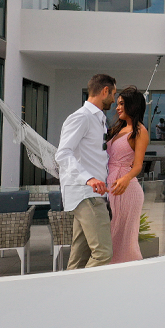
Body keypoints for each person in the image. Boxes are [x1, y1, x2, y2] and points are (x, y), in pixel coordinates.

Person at [56, 74, 116, 269]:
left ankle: (71, 296)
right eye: (113, 94)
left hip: (90, 194)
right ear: (104, 91)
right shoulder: (82, 117)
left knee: (79, 258)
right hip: (87, 194)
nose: (114, 100)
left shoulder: (98, 119)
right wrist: (89, 179)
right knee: (103, 253)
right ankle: (87, 296)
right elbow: (63, 154)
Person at [106, 86, 150, 263]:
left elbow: (138, 166)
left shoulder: (140, 131)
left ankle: (132, 276)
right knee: (110, 234)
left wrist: (125, 178)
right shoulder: (118, 129)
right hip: (110, 184)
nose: (117, 108)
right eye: (117, 104)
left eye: (122, 104)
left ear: (133, 106)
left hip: (125, 188)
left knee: (124, 238)